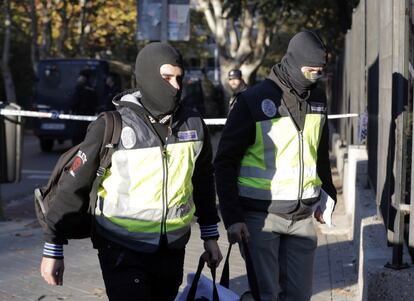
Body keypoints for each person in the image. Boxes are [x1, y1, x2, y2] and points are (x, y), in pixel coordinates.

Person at [40, 42, 223, 301]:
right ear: (146, 76)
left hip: (172, 247)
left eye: (179, 78)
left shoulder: (194, 124)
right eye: (166, 78)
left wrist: (210, 236)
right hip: (120, 247)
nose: (176, 87)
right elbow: (72, 187)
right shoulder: (110, 126)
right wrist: (53, 248)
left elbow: (203, 181)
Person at [214, 30, 337, 301]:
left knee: (299, 295)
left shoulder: (317, 99)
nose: (314, 77)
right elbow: (224, 162)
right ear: (293, 63)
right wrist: (232, 217)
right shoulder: (253, 101)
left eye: (320, 71)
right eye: (310, 71)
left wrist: (328, 194)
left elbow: (320, 151)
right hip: (260, 218)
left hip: (303, 217)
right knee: (266, 295)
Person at [71, 69, 98, 144]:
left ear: (83, 78)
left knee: (77, 139)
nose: (78, 78)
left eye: (80, 76)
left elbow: (74, 101)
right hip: (89, 117)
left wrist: (72, 109)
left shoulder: (79, 88)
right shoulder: (92, 88)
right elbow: (96, 102)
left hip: (79, 116)